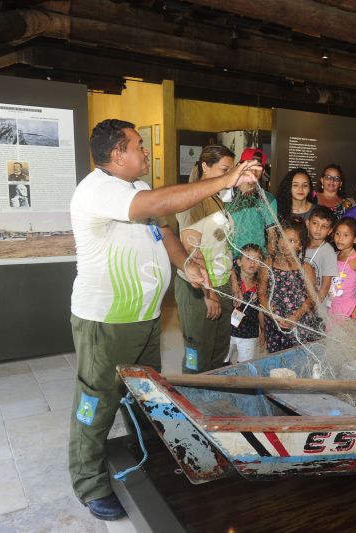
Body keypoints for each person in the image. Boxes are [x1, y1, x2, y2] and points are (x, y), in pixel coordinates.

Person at [68, 119, 259, 521]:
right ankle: (89, 483)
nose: (145, 152)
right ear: (117, 154)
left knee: (144, 391)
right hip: (107, 322)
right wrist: (226, 180)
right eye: (138, 145)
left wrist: (187, 265)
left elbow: (165, 231)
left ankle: (144, 454)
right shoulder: (97, 189)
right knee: (97, 398)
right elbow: (159, 207)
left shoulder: (135, 188)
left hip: (145, 317)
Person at [175, 145, 238, 374]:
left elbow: (223, 245)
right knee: (198, 350)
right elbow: (194, 252)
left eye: (232, 169)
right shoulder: (192, 199)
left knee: (219, 349)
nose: (230, 175)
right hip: (199, 288)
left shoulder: (216, 197)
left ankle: (213, 395)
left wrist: (232, 285)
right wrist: (209, 294)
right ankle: (192, 396)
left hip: (220, 283)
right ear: (205, 167)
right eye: (224, 169)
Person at [258, 216, 317, 353]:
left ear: (300, 245)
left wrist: (295, 317)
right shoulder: (268, 263)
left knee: (299, 360)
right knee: (276, 362)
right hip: (274, 323)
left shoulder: (306, 268)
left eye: (291, 241)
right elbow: (261, 292)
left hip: (299, 322)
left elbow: (312, 298)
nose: (285, 244)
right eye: (282, 238)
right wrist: (271, 313)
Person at [224, 147, 277, 258]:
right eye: (249, 165)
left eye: (258, 166)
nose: (254, 170)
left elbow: (272, 235)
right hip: (228, 260)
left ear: (263, 170)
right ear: (240, 166)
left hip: (256, 261)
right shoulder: (225, 195)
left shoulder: (268, 199)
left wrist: (269, 261)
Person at [229, 243, 265, 363]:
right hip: (227, 332)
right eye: (248, 258)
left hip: (249, 334)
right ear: (239, 262)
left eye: (257, 259)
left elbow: (261, 311)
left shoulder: (261, 287)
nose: (252, 262)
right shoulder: (232, 282)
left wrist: (263, 330)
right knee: (221, 362)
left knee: (244, 365)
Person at [329, 217, 356, 322]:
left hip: (348, 309)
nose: (340, 238)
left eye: (346, 235)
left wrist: (354, 315)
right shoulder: (335, 255)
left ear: (355, 239)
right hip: (332, 307)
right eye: (337, 234)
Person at [305, 206, 338, 305]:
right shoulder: (300, 245)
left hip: (316, 305)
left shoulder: (328, 252)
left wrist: (314, 307)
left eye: (324, 226)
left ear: (330, 231)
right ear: (307, 223)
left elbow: (325, 287)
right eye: (315, 223)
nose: (318, 229)